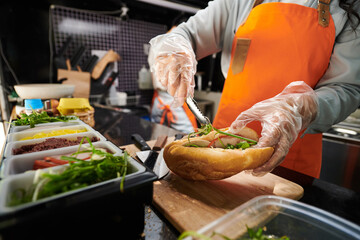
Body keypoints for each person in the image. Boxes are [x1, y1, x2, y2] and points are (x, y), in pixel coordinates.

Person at [148, 0, 360, 178]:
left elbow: (348, 88)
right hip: (220, 147)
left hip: (291, 159)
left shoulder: (349, 6)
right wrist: (173, 48)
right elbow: (187, 34)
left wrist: (302, 107)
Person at [148, 18, 198, 134]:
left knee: (157, 137)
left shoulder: (156, 42)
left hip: (158, 100)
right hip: (174, 100)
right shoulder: (178, 41)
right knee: (190, 136)